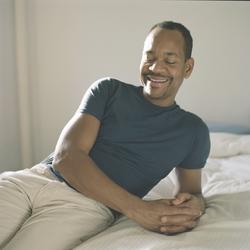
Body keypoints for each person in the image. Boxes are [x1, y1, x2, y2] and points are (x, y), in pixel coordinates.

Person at [0, 21, 210, 250]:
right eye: (149, 57)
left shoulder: (192, 131)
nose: (155, 68)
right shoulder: (108, 90)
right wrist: (138, 209)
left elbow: (191, 193)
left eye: (169, 60)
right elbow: (67, 157)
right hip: (34, 178)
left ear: (187, 68)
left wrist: (195, 204)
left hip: (85, 207)